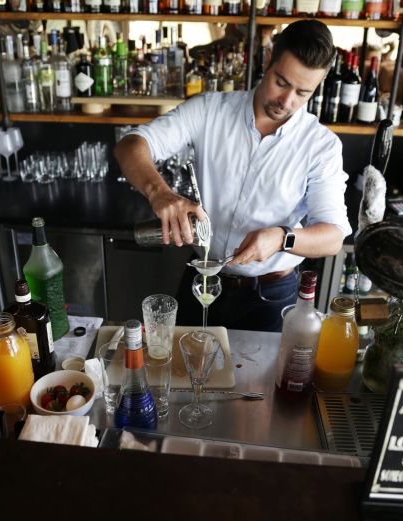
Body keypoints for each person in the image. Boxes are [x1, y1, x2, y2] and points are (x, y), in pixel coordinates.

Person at [114, 20, 352, 332]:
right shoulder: (210, 110)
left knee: (262, 382)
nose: (287, 101)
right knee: (181, 374)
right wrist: (159, 192)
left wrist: (283, 238)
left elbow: (333, 236)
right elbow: (130, 146)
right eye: (281, 82)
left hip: (271, 296)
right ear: (267, 61)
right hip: (202, 281)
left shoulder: (321, 146)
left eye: (302, 93)